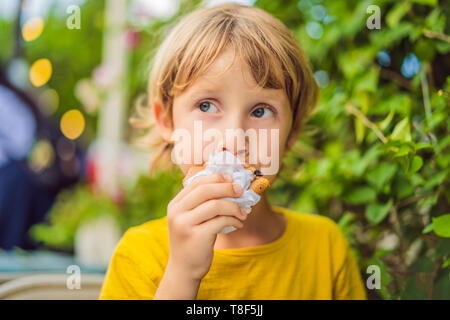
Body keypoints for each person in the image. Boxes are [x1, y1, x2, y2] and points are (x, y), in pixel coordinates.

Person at [99, 3, 367, 300]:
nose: (234, 139)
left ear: (290, 136)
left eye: (261, 111)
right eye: (206, 105)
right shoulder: (139, 256)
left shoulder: (325, 248)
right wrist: (183, 273)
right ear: (167, 120)